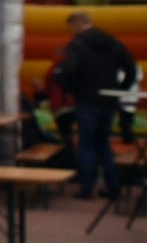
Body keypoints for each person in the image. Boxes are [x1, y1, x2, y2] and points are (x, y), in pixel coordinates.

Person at [56, 11, 139, 199]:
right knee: (103, 144)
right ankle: (113, 186)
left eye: (71, 28)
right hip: (108, 99)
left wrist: (70, 89)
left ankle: (86, 187)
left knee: (86, 144)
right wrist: (120, 89)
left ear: (76, 24)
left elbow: (69, 70)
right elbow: (131, 68)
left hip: (86, 99)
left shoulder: (77, 44)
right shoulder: (112, 41)